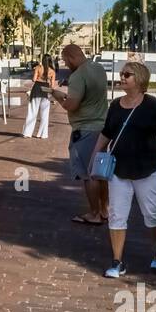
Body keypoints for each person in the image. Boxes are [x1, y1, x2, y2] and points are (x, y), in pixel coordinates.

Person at [91, 60, 156, 278]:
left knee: (151, 215)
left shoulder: (152, 106)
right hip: (119, 169)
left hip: (148, 169)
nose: (122, 77)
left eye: (127, 74)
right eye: (122, 74)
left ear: (139, 79)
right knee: (117, 215)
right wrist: (95, 154)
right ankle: (117, 261)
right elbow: (107, 132)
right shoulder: (115, 105)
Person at [54, 43, 109, 225]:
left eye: (65, 60)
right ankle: (104, 210)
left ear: (71, 57)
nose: (66, 64)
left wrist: (58, 96)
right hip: (102, 127)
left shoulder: (78, 76)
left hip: (85, 129)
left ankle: (94, 213)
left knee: (89, 174)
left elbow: (72, 105)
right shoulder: (98, 68)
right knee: (100, 173)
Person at [23, 54, 55, 139]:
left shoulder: (38, 68)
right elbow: (52, 85)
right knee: (45, 114)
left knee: (32, 111)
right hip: (46, 89)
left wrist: (37, 77)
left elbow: (33, 79)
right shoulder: (52, 71)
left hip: (37, 88)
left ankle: (27, 133)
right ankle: (43, 134)